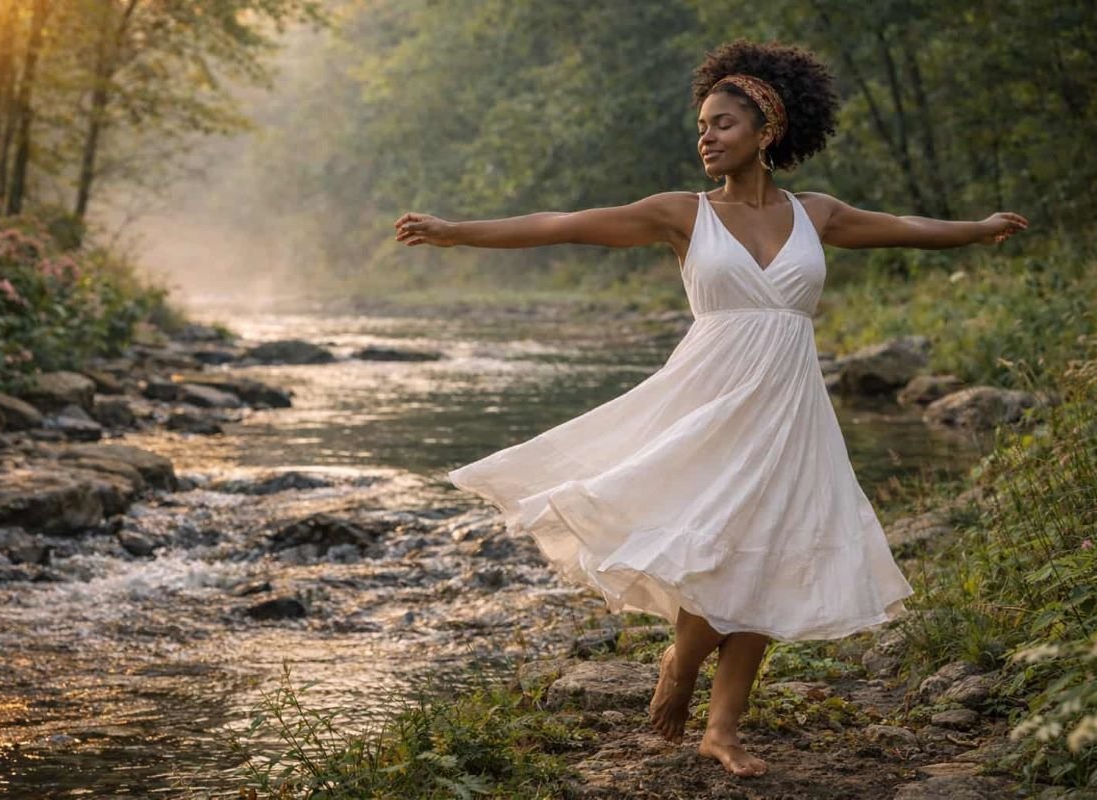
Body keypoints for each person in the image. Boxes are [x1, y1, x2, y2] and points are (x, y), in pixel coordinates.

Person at [393, 39, 1028, 779]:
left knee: (769, 548)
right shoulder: (681, 215)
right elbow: (563, 221)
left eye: (723, 123)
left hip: (789, 406)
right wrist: (456, 231)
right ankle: (682, 660)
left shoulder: (815, 213)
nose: (706, 136)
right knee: (717, 544)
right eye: (701, 124)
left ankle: (722, 730)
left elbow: (908, 229)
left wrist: (978, 230)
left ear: (767, 132)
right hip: (710, 402)